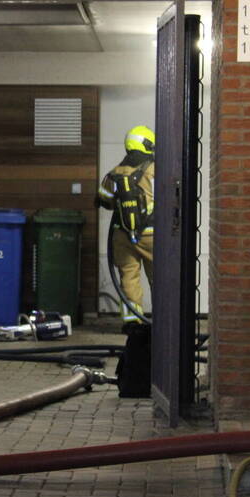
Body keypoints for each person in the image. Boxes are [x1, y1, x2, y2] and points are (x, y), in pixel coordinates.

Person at [98, 124, 155, 397]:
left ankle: (134, 321)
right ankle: (163, 320)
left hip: (123, 235)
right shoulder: (155, 169)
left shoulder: (115, 172)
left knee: (128, 277)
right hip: (153, 235)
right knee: (159, 277)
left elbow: (104, 200)